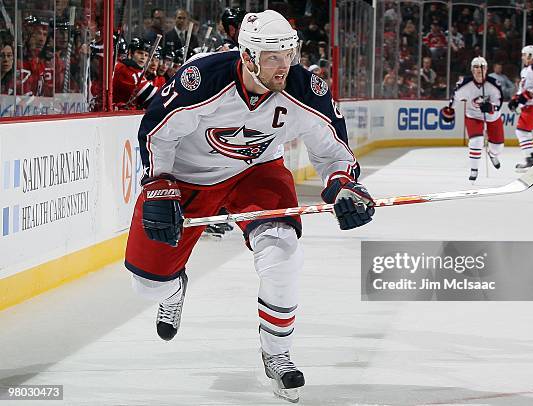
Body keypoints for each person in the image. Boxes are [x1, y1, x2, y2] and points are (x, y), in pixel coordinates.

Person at [124, 10, 372, 403]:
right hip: (189, 176)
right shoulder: (203, 79)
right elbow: (158, 131)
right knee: (146, 285)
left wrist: (344, 187)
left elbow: (333, 153)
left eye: (289, 53)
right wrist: (158, 183)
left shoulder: (305, 88)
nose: (285, 65)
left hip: (256, 172)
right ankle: (172, 290)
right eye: (274, 56)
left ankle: (278, 353)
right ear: (248, 55)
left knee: (282, 252)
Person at [442, 57, 504, 182]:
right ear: (471, 69)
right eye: (476, 67)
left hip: (492, 116)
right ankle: (474, 170)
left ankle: (492, 154)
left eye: (482, 67)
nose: (479, 70)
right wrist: (450, 109)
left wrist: (491, 107)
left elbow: (499, 103)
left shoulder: (494, 84)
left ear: (486, 69)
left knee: (498, 146)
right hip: (473, 115)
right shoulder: (464, 84)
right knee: (476, 141)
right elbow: (455, 98)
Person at [508, 45, 533, 172]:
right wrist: (515, 100)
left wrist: (525, 96)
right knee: (523, 131)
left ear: (530, 56)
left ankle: (530, 161)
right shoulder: (526, 70)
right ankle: (530, 159)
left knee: (522, 131)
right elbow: (523, 89)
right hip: (530, 104)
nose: (522, 57)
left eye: (524, 55)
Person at [112, 38, 158, 109]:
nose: (143, 57)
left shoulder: (135, 70)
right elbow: (153, 98)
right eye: (140, 53)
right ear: (130, 53)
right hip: (116, 116)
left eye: (146, 55)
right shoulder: (125, 69)